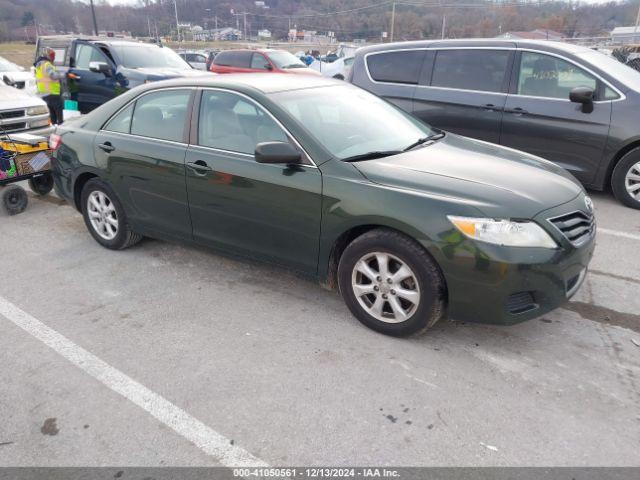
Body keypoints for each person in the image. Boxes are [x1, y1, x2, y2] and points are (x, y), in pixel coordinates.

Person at [34, 48, 64, 124]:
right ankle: (61, 130)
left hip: (44, 94)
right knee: (59, 117)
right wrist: (62, 75)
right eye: (52, 55)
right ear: (47, 55)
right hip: (53, 93)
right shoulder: (47, 64)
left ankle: (54, 129)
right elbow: (53, 76)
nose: (53, 57)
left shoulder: (39, 65)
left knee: (52, 116)